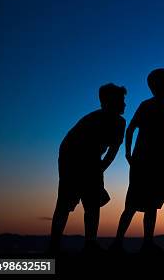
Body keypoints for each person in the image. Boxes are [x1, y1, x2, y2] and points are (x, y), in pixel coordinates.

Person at [48, 83, 127, 254]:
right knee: (65, 202)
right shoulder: (92, 120)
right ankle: (54, 245)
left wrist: (99, 170)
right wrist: (94, 170)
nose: (124, 104)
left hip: (91, 160)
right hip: (72, 158)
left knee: (92, 203)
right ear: (108, 102)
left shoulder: (120, 123)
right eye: (121, 100)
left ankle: (90, 243)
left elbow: (112, 152)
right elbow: (70, 146)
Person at [111, 69, 164, 253]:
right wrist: (128, 153)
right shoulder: (147, 106)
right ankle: (118, 242)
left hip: (156, 163)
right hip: (144, 162)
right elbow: (131, 129)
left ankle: (146, 242)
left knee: (152, 205)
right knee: (132, 204)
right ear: (161, 85)